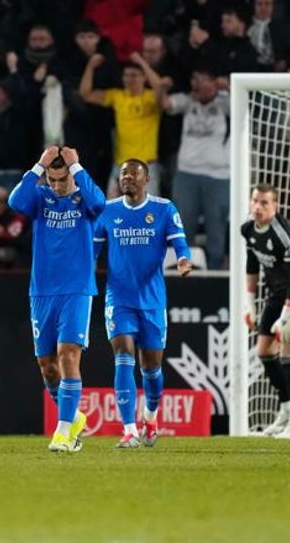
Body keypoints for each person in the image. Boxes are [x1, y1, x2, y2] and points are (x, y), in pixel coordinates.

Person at [7, 146, 105, 452]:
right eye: (53, 179)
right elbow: (15, 201)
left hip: (77, 289)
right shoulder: (40, 198)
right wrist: (38, 166)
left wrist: (77, 168)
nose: (57, 186)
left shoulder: (83, 199)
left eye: (63, 180)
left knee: (67, 355)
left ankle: (63, 432)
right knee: (47, 365)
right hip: (42, 291)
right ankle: (73, 417)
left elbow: (100, 203)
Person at [92, 160, 192, 448]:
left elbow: (180, 244)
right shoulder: (108, 211)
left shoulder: (163, 209)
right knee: (123, 356)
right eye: (123, 174)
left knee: (151, 367)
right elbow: (92, 251)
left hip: (152, 301)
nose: (127, 178)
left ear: (147, 179)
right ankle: (129, 430)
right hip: (119, 299)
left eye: (134, 174)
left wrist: (184, 260)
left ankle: (151, 415)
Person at [241, 183, 290, 439]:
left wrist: (288, 315)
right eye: (255, 201)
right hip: (275, 294)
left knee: (288, 354)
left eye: (265, 203)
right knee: (264, 351)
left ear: (276, 206)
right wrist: (249, 303)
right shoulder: (248, 229)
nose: (258, 207)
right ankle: (285, 411)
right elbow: (252, 266)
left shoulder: (284, 234)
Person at [161, 68, 230, 269]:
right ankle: (182, 271)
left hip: (218, 176)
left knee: (216, 230)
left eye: (203, 79)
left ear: (215, 83)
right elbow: (166, 104)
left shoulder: (227, 102)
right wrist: (162, 89)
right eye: (194, 79)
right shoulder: (187, 100)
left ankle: (216, 274)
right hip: (186, 174)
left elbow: (248, 107)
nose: (197, 84)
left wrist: (229, 87)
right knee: (182, 226)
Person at [79, 52, 166, 195]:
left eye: (134, 75)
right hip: (120, 166)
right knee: (113, 213)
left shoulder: (151, 98)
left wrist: (142, 62)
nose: (129, 79)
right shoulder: (117, 96)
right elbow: (85, 94)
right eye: (126, 75)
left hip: (145, 166)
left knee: (147, 214)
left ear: (144, 77)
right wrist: (90, 66)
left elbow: (160, 86)